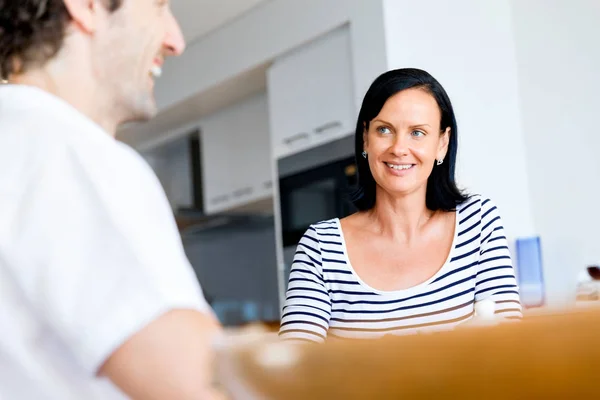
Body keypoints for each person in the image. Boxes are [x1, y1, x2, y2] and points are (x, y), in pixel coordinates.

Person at [0, 1, 222, 398]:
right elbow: (200, 386)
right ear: (86, 7)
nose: (176, 40)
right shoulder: (66, 150)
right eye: (158, 7)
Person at [279, 68, 522, 343]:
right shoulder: (321, 248)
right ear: (365, 138)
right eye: (384, 130)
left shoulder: (478, 223)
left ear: (442, 143)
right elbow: (294, 366)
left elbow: (509, 348)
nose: (399, 148)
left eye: (417, 133)